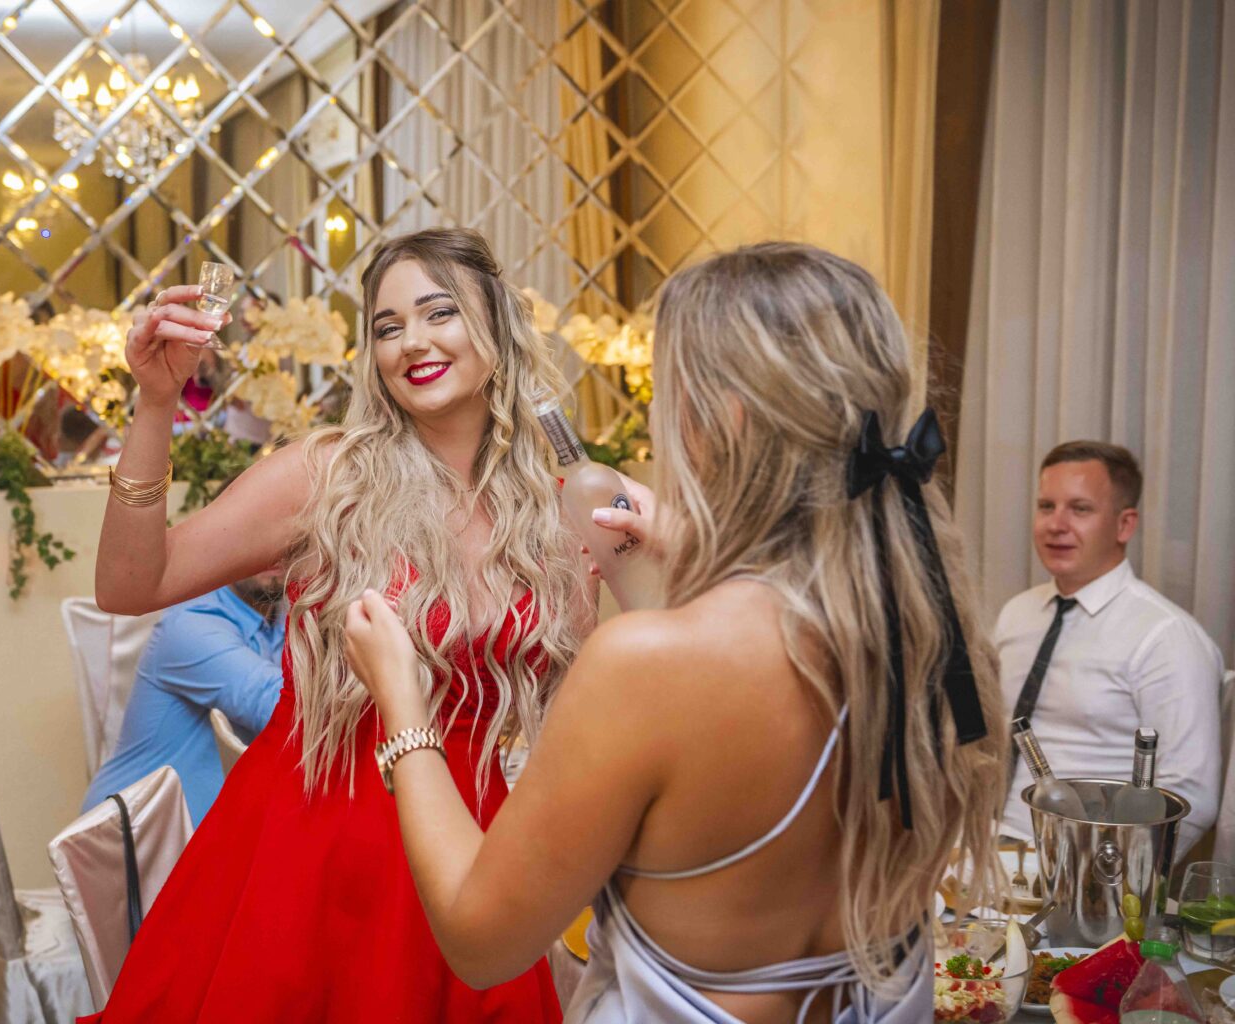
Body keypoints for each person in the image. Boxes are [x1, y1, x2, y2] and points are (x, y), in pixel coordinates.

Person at [344, 242, 1008, 1024]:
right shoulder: (930, 627)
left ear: (721, 416)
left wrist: (404, 706)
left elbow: (479, 942)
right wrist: (701, 555)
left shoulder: (645, 665)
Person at [84, 228, 592, 1022]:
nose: (411, 342)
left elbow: (580, 701)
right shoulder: (328, 477)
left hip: (473, 849)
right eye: (388, 327)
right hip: (313, 851)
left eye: (439, 313)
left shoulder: (548, 509)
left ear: (498, 325)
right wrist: (155, 405)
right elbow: (128, 584)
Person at [995, 441, 1223, 854]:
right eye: (1046, 506)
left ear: (1124, 525)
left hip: (1080, 863)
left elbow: (1190, 794)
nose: (1056, 524)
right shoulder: (1016, 613)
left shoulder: (1165, 636)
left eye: (1080, 509)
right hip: (983, 846)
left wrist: (1107, 881)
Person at [78, 567, 286, 825]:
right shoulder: (190, 623)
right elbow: (284, 708)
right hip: (134, 834)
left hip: (216, 829)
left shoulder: (284, 617)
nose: (274, 551)